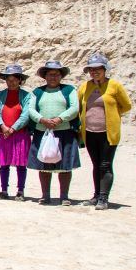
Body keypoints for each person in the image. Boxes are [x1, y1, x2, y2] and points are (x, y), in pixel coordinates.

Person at [78, 52, 132, 210]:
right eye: (91, 69)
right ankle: (96, 196)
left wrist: (112, 115)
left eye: (98, 69)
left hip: (108, 132)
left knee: (105, 164)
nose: (94, 72)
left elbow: (126, 105)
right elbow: (80, 105)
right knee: (96, 164)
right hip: (89, 132)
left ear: (105, 69)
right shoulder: (85, 86)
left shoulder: (114, 85)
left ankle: (104, 197)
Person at [27, 61, 81, 205]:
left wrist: (59, 119)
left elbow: (75, 108)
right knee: (44, 165)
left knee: (65, 165)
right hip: (43, 132)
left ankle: (64, 196)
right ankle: (45, 195)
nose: (53, 77)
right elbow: (31, 109)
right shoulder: (37, 92)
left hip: (64, 132)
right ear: (45, 76)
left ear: (61, 76)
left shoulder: (69, 90)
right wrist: (42, 119)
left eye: (56, 74)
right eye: (50, 74)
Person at [0, 64, 32, 200]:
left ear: (20, 80)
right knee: (4, 163)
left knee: (21, 164)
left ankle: (20, 191)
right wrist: (2, 126)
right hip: (3, 133)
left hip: (19, 134)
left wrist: (13, 128)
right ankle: (4, 190)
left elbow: (26, 114)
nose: (11, 82)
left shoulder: (26, 96)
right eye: (9, 79)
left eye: (14, 79)